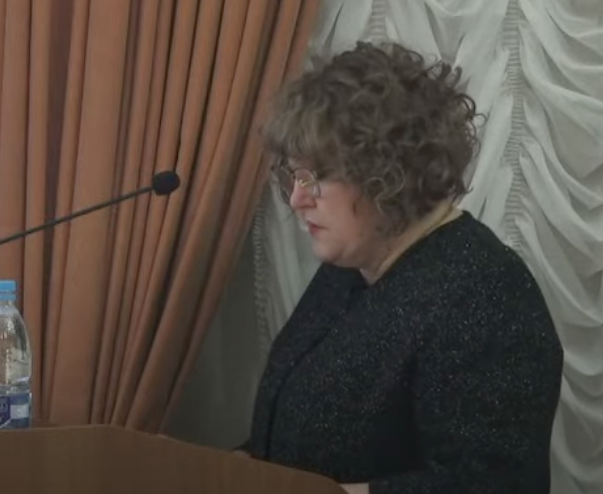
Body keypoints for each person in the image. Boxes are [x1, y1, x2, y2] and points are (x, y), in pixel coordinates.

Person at [237, 42, 564, 494]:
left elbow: (496, 483)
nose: (296, 199)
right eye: (293, 175)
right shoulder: (350, 265)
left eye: (315, 177)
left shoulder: (485, 291)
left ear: (389, 171)